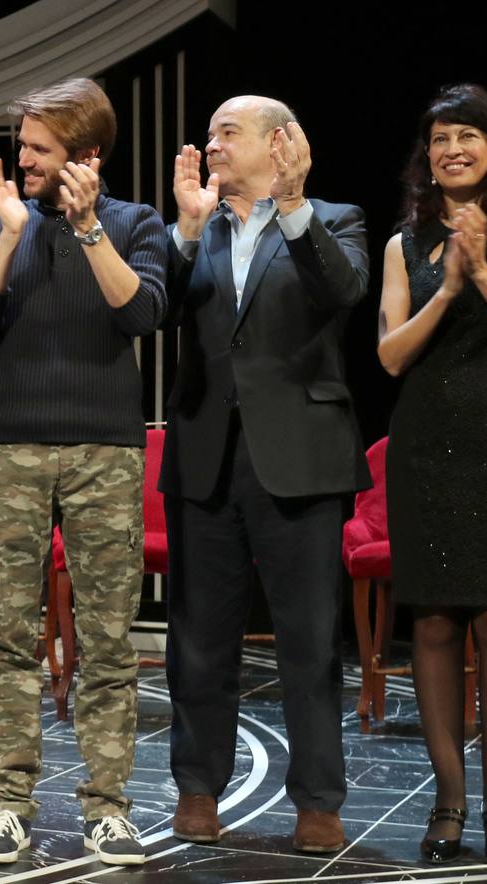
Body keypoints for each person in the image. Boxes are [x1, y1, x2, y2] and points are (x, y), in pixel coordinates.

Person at [0, 77, 166, 867]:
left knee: (106, 642)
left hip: (104, 453)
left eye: (38, 150)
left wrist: (84, 231)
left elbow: (140, 314)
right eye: (23, 148)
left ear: (86, 154)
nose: (23, 162)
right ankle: (6, 805)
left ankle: (107, 808)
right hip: (9, 450)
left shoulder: (133, 223)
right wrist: (10, 235)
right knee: (8, 634)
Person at [160, 96, 369, 855]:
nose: (210, 144)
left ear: (277, 143)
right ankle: (196, 788)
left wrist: (290, 205)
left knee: (308, 640)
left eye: (226, 133)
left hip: (300, 456)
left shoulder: (333, 218)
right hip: (205, 452)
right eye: (210, 132)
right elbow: (156, 309)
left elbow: (342, 293)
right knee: (198, 637)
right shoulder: (194, 224)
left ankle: (316, 799)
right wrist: (183, 228)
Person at [378, 84, 487, 868]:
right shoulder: (402, 241)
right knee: (434, 621)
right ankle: (448, 799)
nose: (451, 150)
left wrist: (480, 271)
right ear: (426, 158)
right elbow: (390, 354)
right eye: (439, 138)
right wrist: (445, 284)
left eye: (467, 136)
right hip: (427, 444)